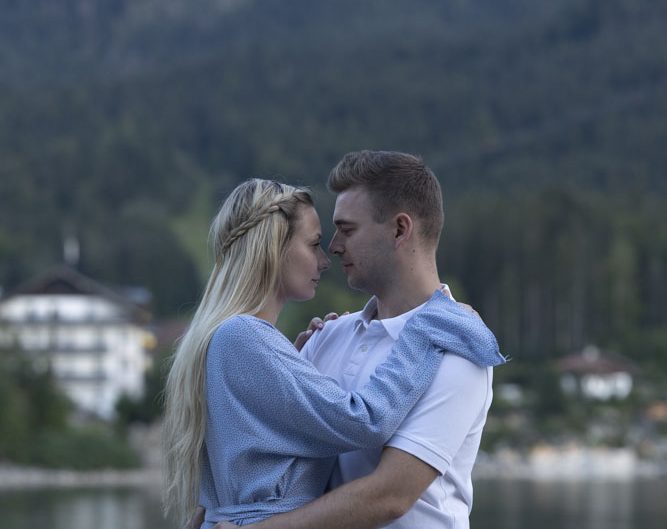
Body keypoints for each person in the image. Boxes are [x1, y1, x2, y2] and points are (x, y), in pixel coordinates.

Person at [162, 178, 504, 528]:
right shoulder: (242, 335)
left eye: (344, 232)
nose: (326, 259)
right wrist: (427, 326)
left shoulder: (242, 338)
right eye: (314, 244)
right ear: (273, 248)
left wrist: (291, 365)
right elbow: (365, 422)